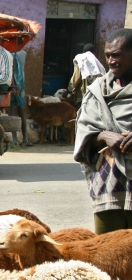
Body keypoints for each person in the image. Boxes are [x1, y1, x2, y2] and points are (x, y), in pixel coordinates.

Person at [74, 28, 132, 235]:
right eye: (107, 55)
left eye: (116, 55)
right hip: (107, 185)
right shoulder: (98, 90)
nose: (110, 61)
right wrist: (103, 135)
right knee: (109, 254)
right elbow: (84, 128)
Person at [68, 43, 106, 109]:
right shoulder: (98, 64)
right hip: (96, 96)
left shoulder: (82, 60)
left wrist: (69, 89)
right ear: (94, 52)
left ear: (83, 52)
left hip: (83, 96)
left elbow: (76, 78)